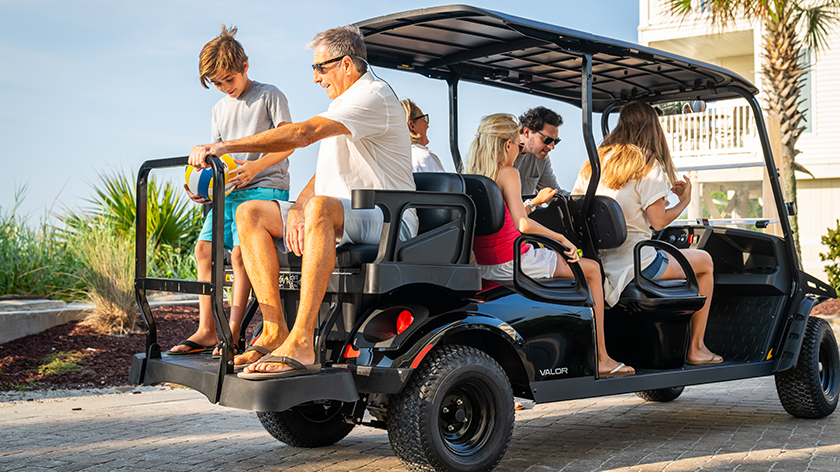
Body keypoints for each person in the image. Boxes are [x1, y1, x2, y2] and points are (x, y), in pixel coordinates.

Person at [187, 25, 418, 379]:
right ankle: (274, 328)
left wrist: (224, 147)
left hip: (389, 217)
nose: (315, 78)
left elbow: (302, 134)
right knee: (252, 213)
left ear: (346, 64)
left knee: (321, 206)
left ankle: (302, 340)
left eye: (320, 68)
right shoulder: (342, 103)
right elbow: (325, 172)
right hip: (347, 212)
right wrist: (297, 207)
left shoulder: (373, 95)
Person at [466, 113, 634, 377]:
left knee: (562, 260)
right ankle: (602, 357)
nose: (520, 153)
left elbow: (506, 220)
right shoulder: (508, 173)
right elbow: (522, 225)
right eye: (519, 147)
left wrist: (532, 207)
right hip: (515, 260)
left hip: (487, 265)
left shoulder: (474, 176)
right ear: (508, 144)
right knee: (591, 270)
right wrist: (561, 238)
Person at [169, 25, 293, 357]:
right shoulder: (219, 109)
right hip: (229, 192)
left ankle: (233, 333)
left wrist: (255, 167)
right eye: (217, 84)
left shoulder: (269, 95)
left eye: (229, 80)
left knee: (239, 255)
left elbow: (289, 144)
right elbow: (219, 159)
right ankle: (207, 329)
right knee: (204, 251)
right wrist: (201, 187)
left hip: (265, 189)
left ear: (245, 67)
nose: (225, 88)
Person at [573, 101, 722, 366]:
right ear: (651, 127)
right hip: (638, 262)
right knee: (706, 262)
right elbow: (658, 222)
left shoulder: (595, 162)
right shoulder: (647, 165)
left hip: (601, 261)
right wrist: (683, 202)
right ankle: (697, 348)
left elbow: (577, 207)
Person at [514, 106, 567, 196]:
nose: (552, 147)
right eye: (547, 140)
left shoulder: (542, 159)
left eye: (555, 141)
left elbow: (555, 193)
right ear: (526, 132)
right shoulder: (502, 154)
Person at [400, 98, 445, 173]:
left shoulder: (394, 159)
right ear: (412, 125)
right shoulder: (426, 159)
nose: (427, 125)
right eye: (424, 119)